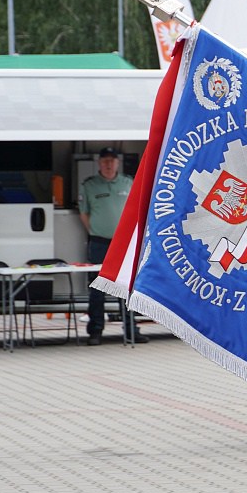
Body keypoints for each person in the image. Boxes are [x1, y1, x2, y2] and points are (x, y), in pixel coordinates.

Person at [79, 147, 145, 345]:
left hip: (123, 243)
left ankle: (131, 330)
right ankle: (95, 331)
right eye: (105, 161)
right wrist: (96, 231)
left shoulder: (128, 182)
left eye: (112, 161)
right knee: (97, 290)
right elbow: (84, 214)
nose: (108, 165)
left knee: (126, 287)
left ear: (118, 163)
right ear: (99, 163)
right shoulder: (90, 186)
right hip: (99, 242)